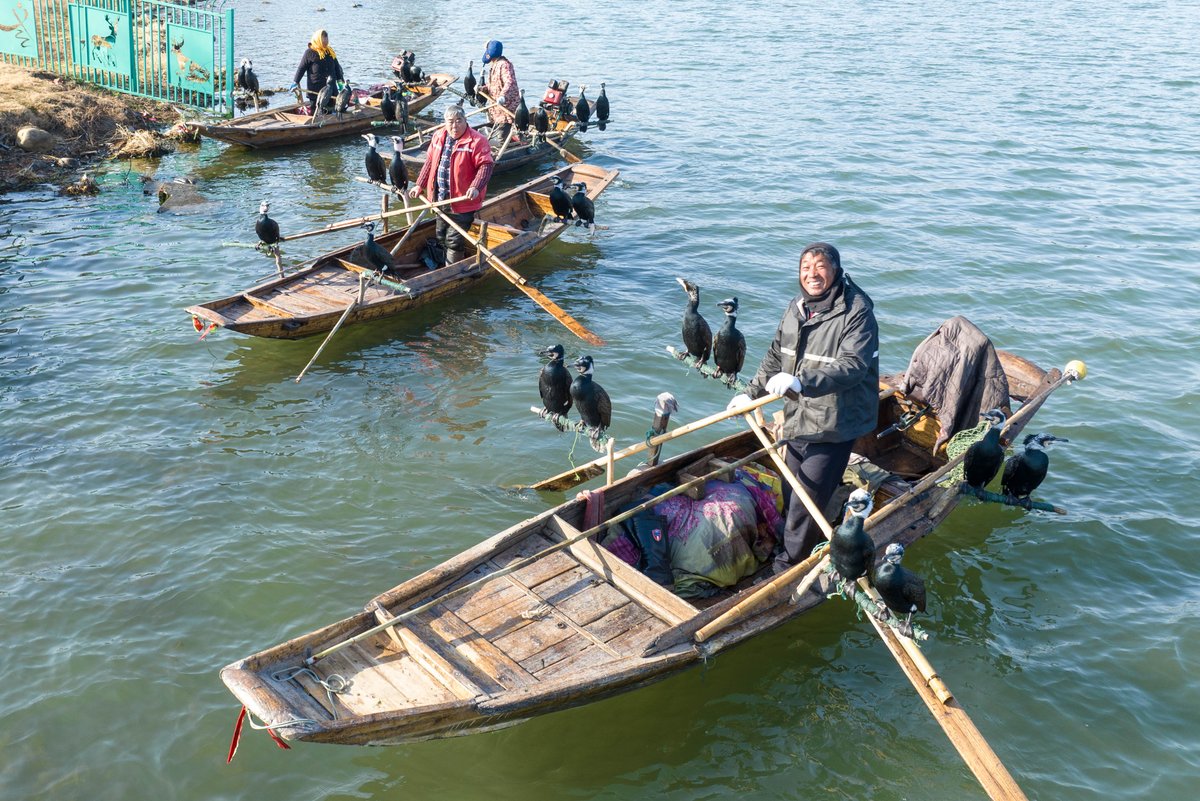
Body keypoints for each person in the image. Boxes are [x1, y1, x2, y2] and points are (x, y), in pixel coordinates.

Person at [728, 242, 879, 574]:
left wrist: (801, 381)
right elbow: (774, 357)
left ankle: (789, 566)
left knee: (805, 502)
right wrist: (750, 393)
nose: (813, 274)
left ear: (836, 271)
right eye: (805, 268)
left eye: (821, 267)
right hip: (800, 416)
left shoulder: (857, 312)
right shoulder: (796, 309)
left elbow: (853, 365)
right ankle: (792, 541)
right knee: (789, 486)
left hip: (837, 420)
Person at [409, 105, 495, 267]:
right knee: (441, 235)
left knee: (453, 239)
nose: (454, 126)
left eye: (458, 121)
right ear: (445, 123)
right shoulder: (438, 136)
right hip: (440, 199)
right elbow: (429, 162)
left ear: (465, 121)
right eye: (450, 122)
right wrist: (419, 185)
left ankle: (452, 271)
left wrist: (475, 186)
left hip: (463, 201)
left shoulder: (477, 141)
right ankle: (447, 264)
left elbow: (486, 166)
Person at [289, 30, 344, 107]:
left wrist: (340, 81)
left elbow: (337, 67)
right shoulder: (309, 53)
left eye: (326, 39)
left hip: (331, 89)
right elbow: (301, 68)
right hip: (316, 90)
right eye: (323, 40)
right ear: (318, 40)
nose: (325, 42)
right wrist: (295, 82)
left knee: (331, 111)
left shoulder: (330, 51)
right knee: (316, 110)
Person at [481, 39, 519, 143]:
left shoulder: (504, 65)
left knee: (501, 139)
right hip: (495, 110)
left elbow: (509, 82)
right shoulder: (494, 65)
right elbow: (494, 84)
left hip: (506, 110)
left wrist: (502, 96)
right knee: (495, 134)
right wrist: (483, 88)